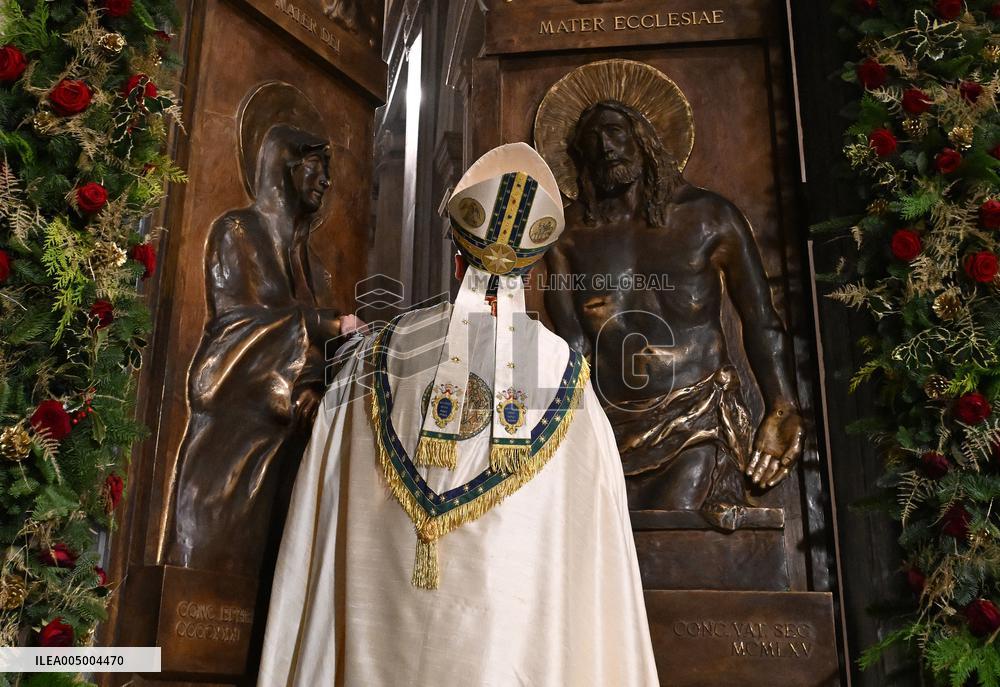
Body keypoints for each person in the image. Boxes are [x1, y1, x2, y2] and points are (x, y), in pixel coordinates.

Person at [256, 142, 658, 686]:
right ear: (532, 268)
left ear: (456, 255)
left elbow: (319, 512)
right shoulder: (569, 381)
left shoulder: (374, 356)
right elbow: (594, 562)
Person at [545, 100, 804, 524]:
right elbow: (572, 345)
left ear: (644, 141)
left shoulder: (710, 218)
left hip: (697, 414)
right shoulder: (569, 235)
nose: (605, 147)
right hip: (607, 425)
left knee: (676, 527)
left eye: (615, 132)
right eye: (592, 139)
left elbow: (760, 320)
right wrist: (553, 431)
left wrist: (782, 407)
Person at [165, 124, 348, 576]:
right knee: (206, 566)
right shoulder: (238, 232)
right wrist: (325, 324)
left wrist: (315, 387)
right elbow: (236, 332)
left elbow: (321, 361)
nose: (325, 179)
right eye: (315, 165)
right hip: (232, 442)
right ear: (280, 166)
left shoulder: (315, 269)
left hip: (287, 449)